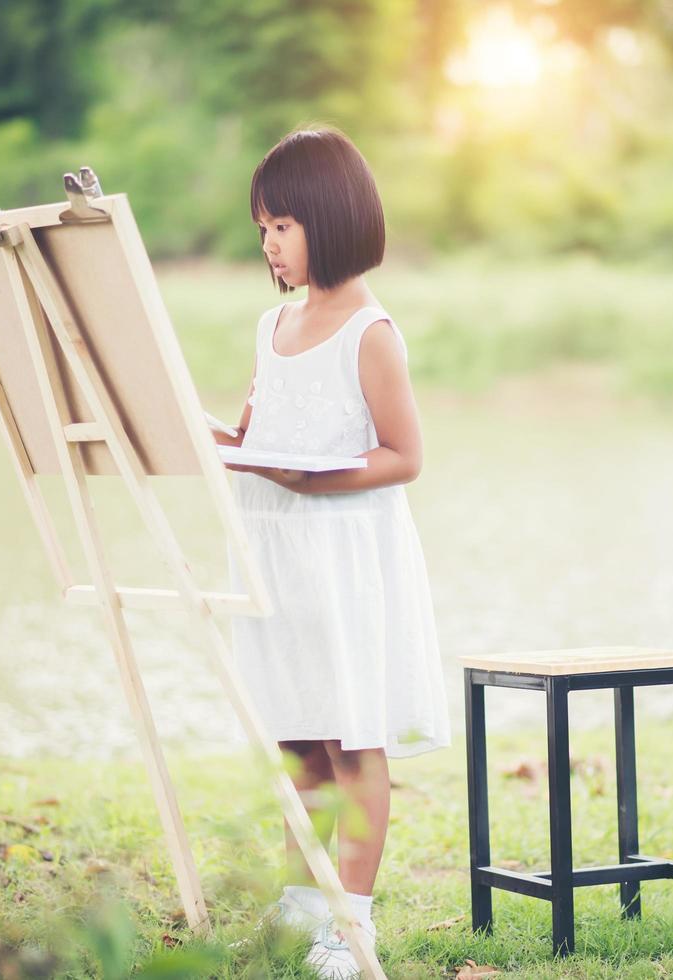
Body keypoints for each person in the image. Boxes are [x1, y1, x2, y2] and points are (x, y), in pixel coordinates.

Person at [214, 125, 451, 978]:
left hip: (344, 559)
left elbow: (403, 455)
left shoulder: (369, 331)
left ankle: (351, 928)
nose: (270, 244)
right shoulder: (270, 326)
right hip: (277, 560)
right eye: (262, 228)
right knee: (297, 739)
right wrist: (190, 428)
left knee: (352, 743)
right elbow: (254, 434)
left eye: (282, 225)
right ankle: (300, 904)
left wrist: (315, 482)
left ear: (330, 216)